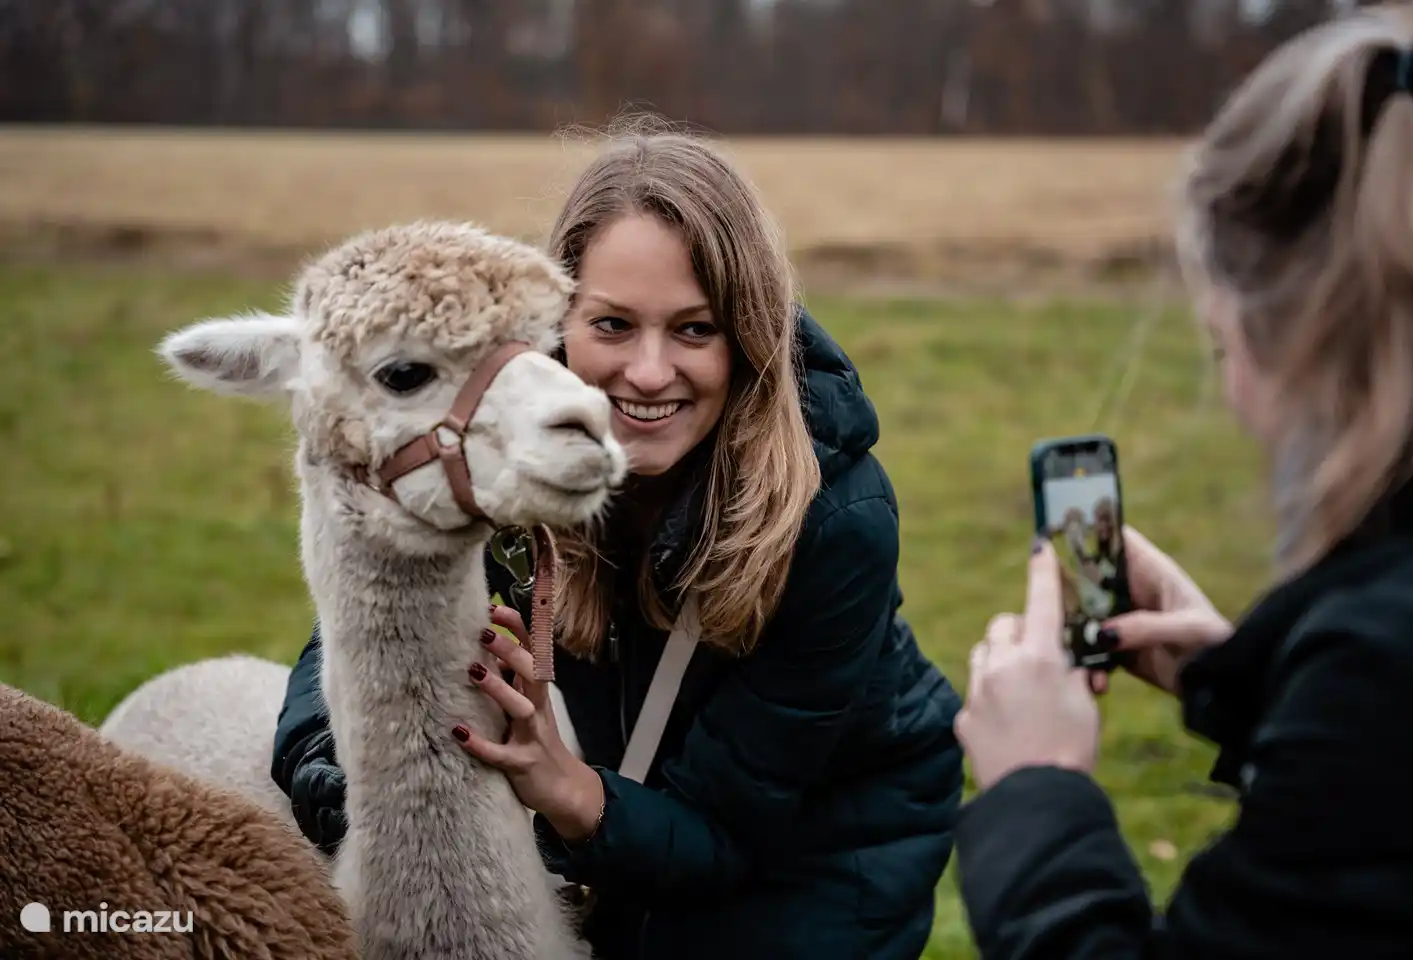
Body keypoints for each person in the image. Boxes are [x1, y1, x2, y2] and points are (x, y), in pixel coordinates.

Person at [271, 122, 966, 959]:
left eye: (694, 330)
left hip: (817, 842)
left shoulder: (833, 518)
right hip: (618, 789)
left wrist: (571, 794)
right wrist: (381, 793)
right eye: (610, 326)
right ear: (553, 323)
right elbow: (350, 649)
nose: (646, 372)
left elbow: (728, 833)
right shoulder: (500, 444)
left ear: (748, 334)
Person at [952, 5, 1413, 957]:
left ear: (1290, 336)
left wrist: (1037, 790)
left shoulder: (1391, 667)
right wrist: (1262, 691)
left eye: (1222, 345)